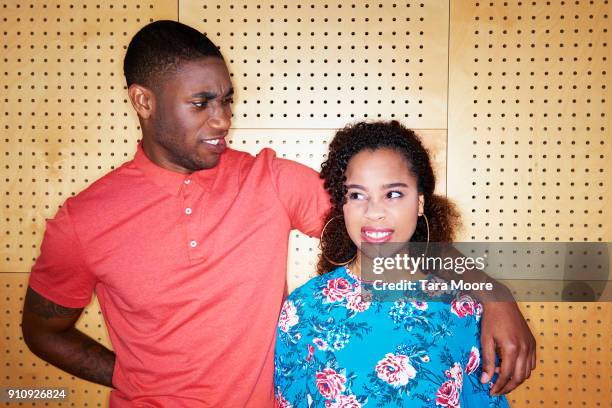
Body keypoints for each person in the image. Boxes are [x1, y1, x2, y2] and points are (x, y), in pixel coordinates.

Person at [21, 21, 534, 407]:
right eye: (201, 103)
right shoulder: (83, 220)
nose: (223, 119)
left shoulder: (268, 179)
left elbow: (385, 225)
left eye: (226, 100)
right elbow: (43, 331)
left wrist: (494, 292)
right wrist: (129, 374)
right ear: (144, 101)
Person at [274, 121, 511, 407]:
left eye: (393, 194)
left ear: (420, 202)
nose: (374, 212)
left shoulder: (464, 309)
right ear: (342, 205)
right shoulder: (303, 309)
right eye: (357, 195)